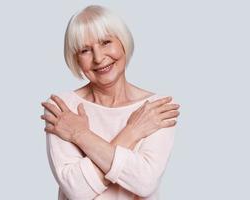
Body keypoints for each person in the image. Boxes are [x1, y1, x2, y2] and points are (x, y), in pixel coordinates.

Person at [40, 5, 180, 200]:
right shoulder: (62, 108)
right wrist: (132, 133)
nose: (98, 58)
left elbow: (145, 182)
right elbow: (76, 190)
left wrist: (80, 135)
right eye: (85, 50)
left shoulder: (155, 109)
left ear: (123, 42)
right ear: (76, 59)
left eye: (106, 42)